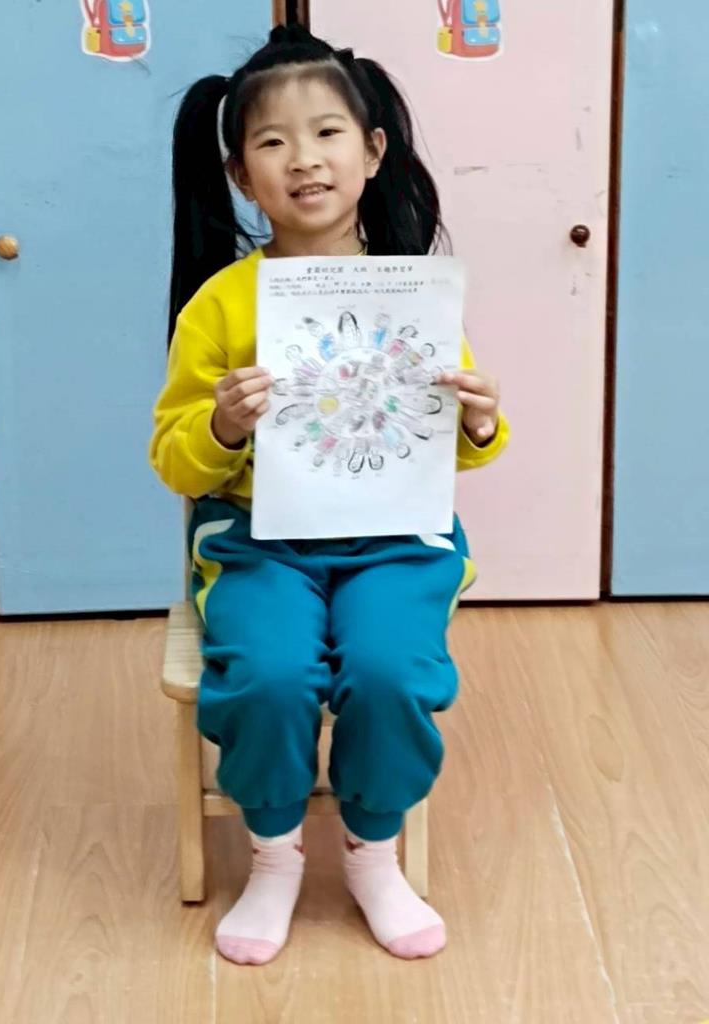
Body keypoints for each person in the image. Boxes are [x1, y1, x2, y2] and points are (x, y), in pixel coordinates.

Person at [150, 23, 509, 966]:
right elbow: (175, 462)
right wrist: (223, 425)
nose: (303, 159)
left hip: (396, 538)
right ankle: (272, 857)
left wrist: (479, 422)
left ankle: (371, 852)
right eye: (272, 142)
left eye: (326, 133)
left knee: (389, 670)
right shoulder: (220, 305)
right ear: (241, 174)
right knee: (271, 675)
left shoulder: (413, 295)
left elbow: (454, 448)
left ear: (373, 152)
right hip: (258, 541)